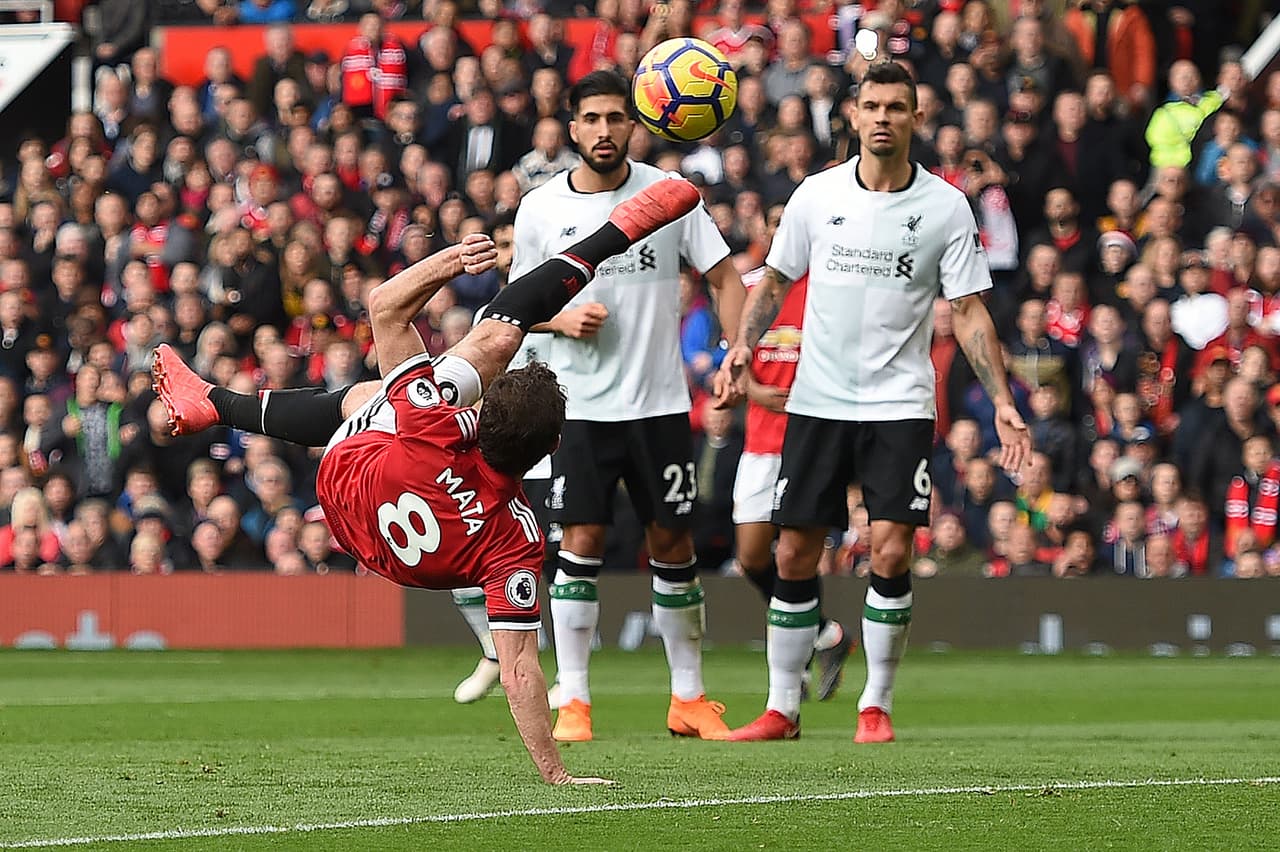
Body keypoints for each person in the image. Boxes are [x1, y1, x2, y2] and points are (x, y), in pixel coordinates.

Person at [153, 174, 708, 783]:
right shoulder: (519, 540)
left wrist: (447, 262)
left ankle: (616, 232)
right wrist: (555, 774)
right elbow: (523, 670)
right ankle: (213, 402)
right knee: (371, 391)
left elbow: (384, 306)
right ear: (551, 449)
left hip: (348, 480)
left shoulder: (430, 416)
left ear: (479, 413)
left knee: (487, 340)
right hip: (395, 557)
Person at [717, 60, 1031, 743]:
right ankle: (781, 709)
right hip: (818, 400)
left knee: (889, 552)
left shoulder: (945, 207)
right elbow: (772, 281)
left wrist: (1002, 399)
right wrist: (744, 343)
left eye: (897, 105)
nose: (883, 116)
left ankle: (875, 705)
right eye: (873, 105)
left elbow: (970, 312)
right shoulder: (815, 196)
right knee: (795, 554)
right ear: (853, 117)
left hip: (899, 404)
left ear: (916, 118)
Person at [512, 70, 746, 744]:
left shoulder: (670, 196)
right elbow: (515, 311)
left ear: (635, 123)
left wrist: (735, 351)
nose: (606, 130)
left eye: (617, 117)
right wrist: (560, 323)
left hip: (660, 404)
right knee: (578, 544)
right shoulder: (540, 210)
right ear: (573, 128)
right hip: (575, 408)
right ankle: (576, 701)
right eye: (593, 118)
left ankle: (689, 699)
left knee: (673, 545)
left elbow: (725, 275)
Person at [732, 267, 851, 701]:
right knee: (750, 555)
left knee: (794, 555)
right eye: (775, 221)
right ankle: (824, 632)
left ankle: (794, 670)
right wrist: (750, 389)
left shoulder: (829, 283)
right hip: (760, 442)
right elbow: (733, 356)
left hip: (809, 439)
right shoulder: (750, 288)